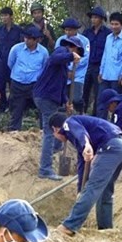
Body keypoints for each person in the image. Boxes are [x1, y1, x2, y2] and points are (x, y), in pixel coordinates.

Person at [50, 113, 122, 236]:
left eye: (54, 135)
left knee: (93, 187)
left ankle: (69, 226)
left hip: (111, 147)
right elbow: (83, 164)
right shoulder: (77, 138)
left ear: (55, 129)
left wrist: (86, 144)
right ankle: (105, 228)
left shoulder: (69, 122)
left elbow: (80, 132)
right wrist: (80, 191)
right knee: (105, 190)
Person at [33, 36, 82, 180]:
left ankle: (54, 150)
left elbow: (60, 88)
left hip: (48, 98)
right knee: (50, 131)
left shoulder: (62, 68)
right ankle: (45, 168)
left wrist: (66, 101)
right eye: (77, 53)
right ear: (73, 48)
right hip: (45, 97)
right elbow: (54, 58)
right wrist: (70, 55)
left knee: (53, 129)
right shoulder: (61, 51)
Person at [7, 27, 49, 131]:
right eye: (25, 37)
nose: (26, 40)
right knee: (16, 109)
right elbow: (10, 63)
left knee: (41, 106)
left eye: (29, 38)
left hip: (34, 84)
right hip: (17, 83)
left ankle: (43, 130)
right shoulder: (16, 49)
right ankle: (14, 130)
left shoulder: (43, 52)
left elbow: (45, 68)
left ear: (36, 40)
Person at [97, 12, 122, 119]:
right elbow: (105, 55)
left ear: (121, 25)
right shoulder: (108, 38)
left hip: (116, 77)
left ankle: (115, 124)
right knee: (101, 101)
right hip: (105, 75)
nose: (114, 26)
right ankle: (101, 122)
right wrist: (101, 71)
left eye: (116, 24)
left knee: (115, 103)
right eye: (112, 24)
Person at [54, 19, 90, 114]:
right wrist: (67, 70)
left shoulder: (84, 41)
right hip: (63, 74)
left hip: (78, 74)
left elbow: (85, 58)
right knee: (63, 99)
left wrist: (73, 68)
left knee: (76, 98)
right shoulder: (60, 40)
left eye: (70, 30)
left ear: (76, 30)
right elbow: (57, 57)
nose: (68, 32)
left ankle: (79, 115)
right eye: (66, 30)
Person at [82, 6, 110, 116]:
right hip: (87, 64)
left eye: (96, 17)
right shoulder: (87, 32)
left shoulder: (107, 33)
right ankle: (81, 113)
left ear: (101, 19)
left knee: (99, 92)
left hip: (99, 65)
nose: (93, 20)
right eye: (92, 17)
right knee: (84, 90)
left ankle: (96, 116)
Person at [0, 7, 24, 114]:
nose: (4, 18)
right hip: (2, 63)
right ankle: (2, 108)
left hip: (14, 63)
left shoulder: (18, 30)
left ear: (11, 16)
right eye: (2, 15)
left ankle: (12, 108)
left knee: (14, 86)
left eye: (6, 15)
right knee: (1, 86)